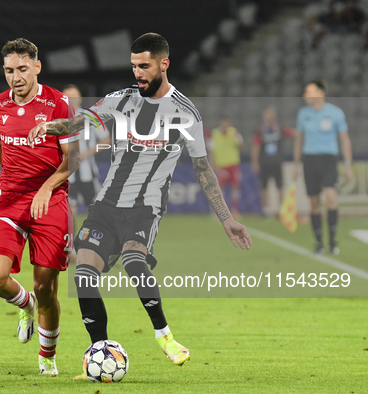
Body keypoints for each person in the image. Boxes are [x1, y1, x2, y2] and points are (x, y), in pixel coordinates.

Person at [28, 32, 251, 375]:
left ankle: (165, 336)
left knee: (135, 262)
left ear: (164, 64)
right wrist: (48, 127)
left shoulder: (186, 113)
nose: (138, 73)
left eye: (144, 66)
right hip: (105, 206)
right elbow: (80, 121)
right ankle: (98, 350)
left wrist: (226, 219)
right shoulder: (122, 100)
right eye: (134, 66)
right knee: (84, 275)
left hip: (144, 209)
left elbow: (204, 170)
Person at [0, 38, 80, 375]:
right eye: (9, 70)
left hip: (50, 200)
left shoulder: (58, 103)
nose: (15, 77)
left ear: (37, 67)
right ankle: (24, 303)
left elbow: (71, 160)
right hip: (10, 200)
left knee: (46, 286)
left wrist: (46, 188)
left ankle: (47, 358)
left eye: (22, 69)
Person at [293, 80, 353, 255]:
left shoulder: (335, 113)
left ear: (320, 93)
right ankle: (319, 243)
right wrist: (296, 165)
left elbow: (344, 139)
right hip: (310, 159)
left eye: (308, 91)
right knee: (314, 202)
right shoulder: (303, 114)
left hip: (329, 159)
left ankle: (333, 241)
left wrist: (348, 164)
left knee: (331, 198)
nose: (305, 95)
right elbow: (298, 140)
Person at [61, 84, 110, 226]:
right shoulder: (58, 117)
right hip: (67, 174)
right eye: (68, 97)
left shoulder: (90, 116)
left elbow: (106, 140)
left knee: (94, 209)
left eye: (74, 97)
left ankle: (95, 244)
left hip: (88, 173)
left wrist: (87, 153)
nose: (72, 100)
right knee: (69, 210)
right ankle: (69, 245)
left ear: (80, 99)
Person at [251, 107, 293, 217]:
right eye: (268, 115)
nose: (270, 117)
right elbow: (255, 146)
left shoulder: (279, 128)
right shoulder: (260, 129)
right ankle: (266, 210)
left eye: (272, 115)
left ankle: (281, 210)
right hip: (264, 162)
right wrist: (255, 162)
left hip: (276, 162)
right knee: (264, 187)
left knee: (280, 186)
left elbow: (292, 133)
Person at [208, 116, 244, 217]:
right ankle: (219, 211)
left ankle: (234, 210)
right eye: (224, 123)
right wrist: (214, 165)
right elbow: (211, 151)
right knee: (220, 188)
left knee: (235, 186)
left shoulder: (234, 132)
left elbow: (241, 145)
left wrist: (237, 138)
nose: (225, 125)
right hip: (221, 164)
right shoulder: (215, 134)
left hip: (233, 163)